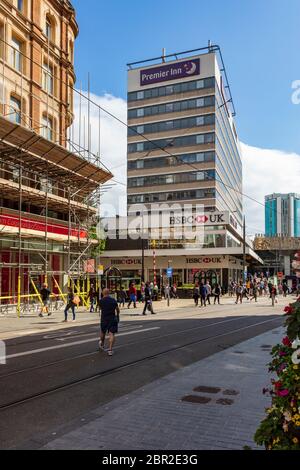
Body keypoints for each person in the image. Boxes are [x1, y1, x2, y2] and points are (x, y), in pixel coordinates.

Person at [99, 288, 120, 356]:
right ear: (109, 293)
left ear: (103, 293)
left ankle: (102, 344)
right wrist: (118, 315)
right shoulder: (113, 300)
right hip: (112, 318)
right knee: (111, 334)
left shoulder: (101, 301)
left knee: (103, 332)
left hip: (104, 318)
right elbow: (117, 310)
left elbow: (100, 309)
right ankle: (110, 350)